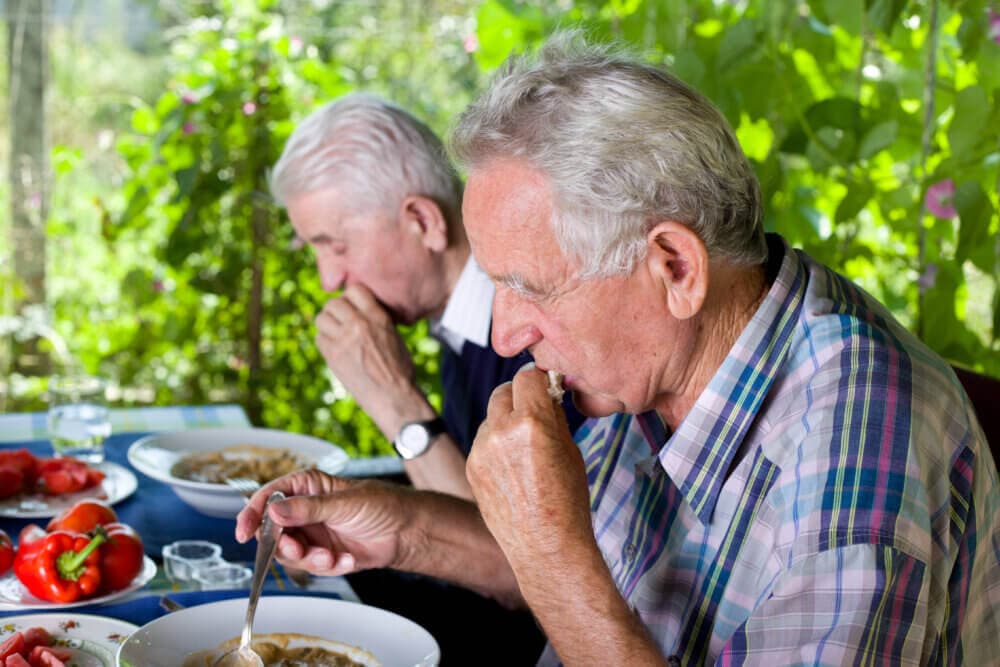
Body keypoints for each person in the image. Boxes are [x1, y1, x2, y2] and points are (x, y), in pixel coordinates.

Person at [241, 32, 1000, 665]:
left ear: (674, 266)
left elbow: (560, 566)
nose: (505, 334)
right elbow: (548, 553)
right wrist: (395, 524)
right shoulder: (658, 360)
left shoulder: (857, 442)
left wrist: (552, 555)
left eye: (529, 287)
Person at [269, 93, 583, 665]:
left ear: (422, 220)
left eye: (336, 247)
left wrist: (396, 405)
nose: (329, 279)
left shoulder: (530, 336)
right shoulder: (454, 320)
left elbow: (518, 574)